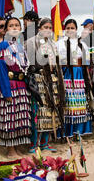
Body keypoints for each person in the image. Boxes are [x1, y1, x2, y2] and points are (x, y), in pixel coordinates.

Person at [25, 18, 65, 152]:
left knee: (49, 111)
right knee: (38, 112)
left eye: (50, 27)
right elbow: (29, 63)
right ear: (39, 28)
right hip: (38, 80)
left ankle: (44, 143)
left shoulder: (53, 44)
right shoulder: (31, 42)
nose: (47, 30)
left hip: (51, 81)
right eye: (45, 27)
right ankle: (33, 144)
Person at [0, 17, 31, 157]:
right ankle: (10, 149)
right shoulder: (3, 46)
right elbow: (1, 70)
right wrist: (6, 91)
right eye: (11, 26)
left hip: (21, 86)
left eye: (17, 25)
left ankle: (17, 146)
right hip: (10, 85)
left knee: (20, 117)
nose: (15, 28)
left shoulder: (21, 47)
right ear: (6, 30)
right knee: (10, 116)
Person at [56, 19, 92, 139]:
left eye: (72, 28)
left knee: (79, 102)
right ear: (64, 29)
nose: (70, 30)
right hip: (66, 74)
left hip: (79, 75)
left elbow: (86, 62)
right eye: (68, 28)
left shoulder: (82, 44)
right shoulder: (59, 43)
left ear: (76, 30)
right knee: (68, 102)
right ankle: (68, 132)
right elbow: (57, 60)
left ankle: (78, 131)